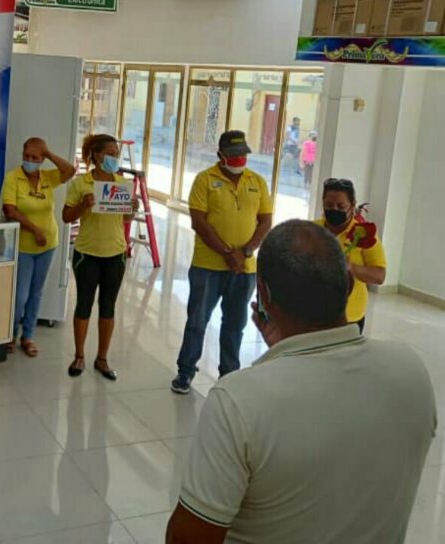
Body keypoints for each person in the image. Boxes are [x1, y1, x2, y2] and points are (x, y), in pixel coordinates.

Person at [166, 220, 436, 544]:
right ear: (349, 284)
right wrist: (285, 352)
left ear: (263, 294)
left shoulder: (238, 401)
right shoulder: (411, 371)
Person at [172, 130, 272, 394]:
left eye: (243, 154)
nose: (239, 159)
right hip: (208, 266)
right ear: (220, 155)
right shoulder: (205, 180)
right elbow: (199, 221)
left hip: (245, 268)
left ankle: (229, 375)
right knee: (197, 320)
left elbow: (265, 221)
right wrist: (228, 253)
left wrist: (246, 252)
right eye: (233, 155)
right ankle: (185, 372)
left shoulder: (257, 182)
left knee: (235, 324)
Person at [63, 134, 131, 381]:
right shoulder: (81, 183)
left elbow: (125, 220)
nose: (114, 157)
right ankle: (79, 355)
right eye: (110, 153)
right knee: (83, 304)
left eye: (116, 153)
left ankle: (102, 358)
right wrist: (83, 205)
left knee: (108, 306)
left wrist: (131, 209)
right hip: (87, 253)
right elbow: (67, 217)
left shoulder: (121, 183)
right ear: (95, 155)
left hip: (115, 253)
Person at [1, 138, 75, 356]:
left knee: (36, 293)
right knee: (20, 296)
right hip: (24, 246)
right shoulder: (13, 178)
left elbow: (70, 171)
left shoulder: (47, 177)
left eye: (35, 158)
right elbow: (10, 210)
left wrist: (49, 153)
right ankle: (10, 335)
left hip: (48, 244)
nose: (30, 161)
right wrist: (34, 229)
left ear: (42, 160)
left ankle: (28, 336)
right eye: (27, 156)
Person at [318, 178, 386, 333]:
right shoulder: (312, 230)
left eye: (341, 206)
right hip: (315, 312)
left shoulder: (364, 234)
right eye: (329, 205)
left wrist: (351, 267)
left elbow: (380, 276)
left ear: (353, 205)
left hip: (349, 316)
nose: (334, 209)